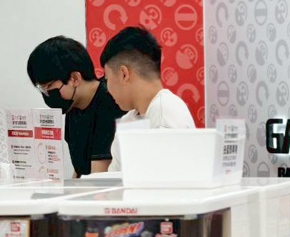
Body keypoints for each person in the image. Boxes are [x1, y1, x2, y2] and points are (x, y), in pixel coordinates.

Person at [100, 26, 195, 171]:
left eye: (107, 79)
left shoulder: (165, 113)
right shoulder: (128, 121)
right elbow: (115, 178)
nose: (107, 89)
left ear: (124, 74)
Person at [27, 36, 124, 177]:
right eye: (43, 89)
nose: (47, 95)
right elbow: (79, 169)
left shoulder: (109, 104)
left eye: (49, 87)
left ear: (74, 78)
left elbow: (99, 177)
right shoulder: (73, 105)